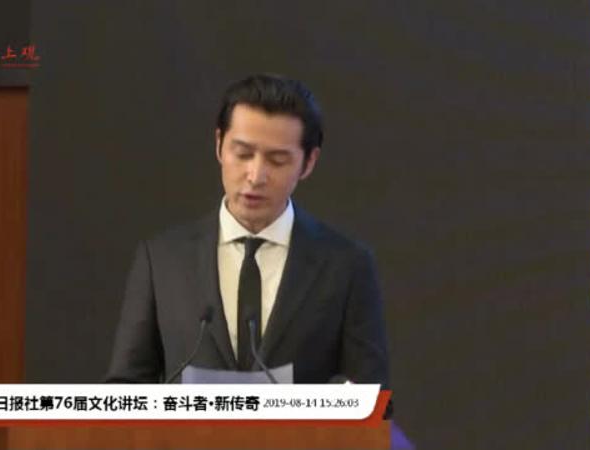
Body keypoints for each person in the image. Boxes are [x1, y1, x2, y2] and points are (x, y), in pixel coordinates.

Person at [105, 74, 389, 388]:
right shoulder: (161, 260)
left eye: (277, 160)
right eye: (242, 154)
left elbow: (372, 394)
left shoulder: (346, 266)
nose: (255, 176)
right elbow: (125, 387)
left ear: (309, 162)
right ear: (219, 145)